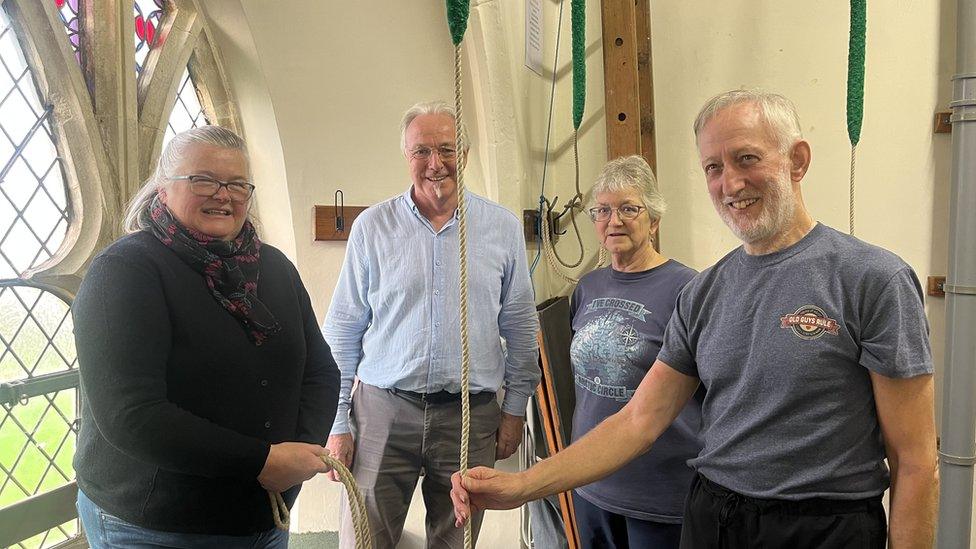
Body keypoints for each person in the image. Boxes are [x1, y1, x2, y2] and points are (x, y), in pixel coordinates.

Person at [452, 90, 939, 548]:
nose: (730, 183)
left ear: (797, 160)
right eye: (713, 167)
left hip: (822, 525)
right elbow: (638, 422)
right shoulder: (704, 292)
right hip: (714, 516)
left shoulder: (873, 279)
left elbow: (915, 461)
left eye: (746, 158)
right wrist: (521, 485)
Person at [72, 126, 340, 548]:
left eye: (237, 183)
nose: (223, 194)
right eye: (203, 180)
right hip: (158, 526)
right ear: (162, 190)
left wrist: (298, 454)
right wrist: (262, 461)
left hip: (263, 517)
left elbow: (320, 370)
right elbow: (131, 414)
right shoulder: (124, 271)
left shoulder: (274, 267)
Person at [322, 100, 540, 549]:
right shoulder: (372, 228)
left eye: (447, 149)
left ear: (466, 153)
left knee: (456, 543)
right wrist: (337, 420)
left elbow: (520, 326)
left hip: (470, 414)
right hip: (383, 411)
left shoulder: (501, 228)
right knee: (365, 540)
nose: (435, 163)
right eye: (422, 151)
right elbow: (343, 329)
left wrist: (515, 409)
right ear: (406, 155)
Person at [570, 155, 701, 548]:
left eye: (629, 208)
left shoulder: (688, 289)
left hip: (659, 493)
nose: (615, 221)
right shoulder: (586, 288)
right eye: (603, 210)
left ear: (654, 220)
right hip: (590, 483)